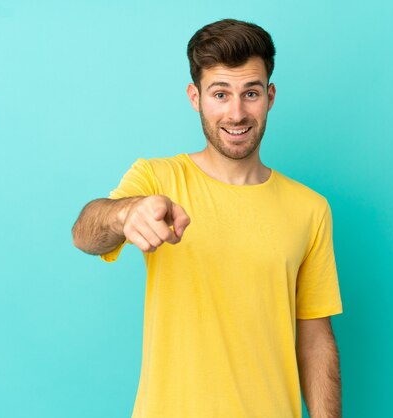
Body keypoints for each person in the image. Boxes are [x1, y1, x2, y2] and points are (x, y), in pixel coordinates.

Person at [72, 18, 343, 418]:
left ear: (269, 96)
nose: (236, 113)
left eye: (250, 93)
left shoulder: (310, 208)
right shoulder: (156, 178)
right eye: (220, 94)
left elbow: (315, 338)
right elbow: (85, 234)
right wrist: (125, 213)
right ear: (195, 97)